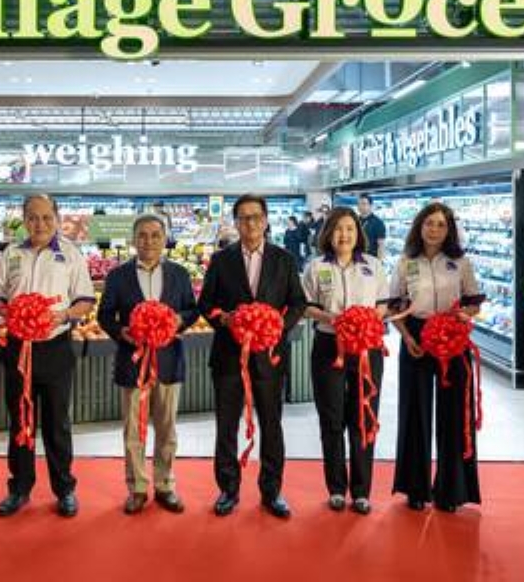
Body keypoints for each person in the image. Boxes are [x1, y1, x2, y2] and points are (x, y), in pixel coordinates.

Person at [198, 194, 306, 519]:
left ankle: (272, 491)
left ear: (266, 220)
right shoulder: (221, 260)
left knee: (272, 425)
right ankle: (228, 489)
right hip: (229, 358)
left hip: (270, 358)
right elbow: (205, 304)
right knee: (226, 426)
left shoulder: (284, 259)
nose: (250, 223)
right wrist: (224, 319)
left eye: (256, 216)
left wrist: (278, 327)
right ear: (236, 223)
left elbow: (298, 302)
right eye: (243, 218)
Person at [0, 194, 96, 519]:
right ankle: (19, 488)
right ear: (24, 220)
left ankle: (64, 489)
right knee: (20, 420)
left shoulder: (71, 254)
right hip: (17, 349)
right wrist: (10, 312)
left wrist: (63, 315)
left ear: (57, 219)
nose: (40, 224)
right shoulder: (12, 253)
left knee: (57, 423)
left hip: (55, 348)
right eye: (33, 217)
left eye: (47, 217)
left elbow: (85, 300)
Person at [97, 214, 200, 515]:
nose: (149, 241)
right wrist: (122, 332)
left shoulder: (179, 274)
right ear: (134, 240)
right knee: (133, 430)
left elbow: (192, 310)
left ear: (165, 239)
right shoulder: (118, 276)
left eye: (155, 235)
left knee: (167, 429)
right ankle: (138, 488)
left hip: (169, 361)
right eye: (142, 235)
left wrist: (179, 320)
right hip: (133, 363)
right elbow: (105, 315)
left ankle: (165, 484)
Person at [389, 202, 482, 513]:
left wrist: (462, 317)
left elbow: (473, 302)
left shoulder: (461, 262)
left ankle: (451, 490)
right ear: (419, 226)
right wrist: (407, 337)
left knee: (454, 413)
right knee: (415, 410)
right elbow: (394, 306)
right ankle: (415, 488)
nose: (434, 230)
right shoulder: (405, 262)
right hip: (416, 335)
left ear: (449, 229)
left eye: (441, 224)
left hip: (452, 337)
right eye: (429, 223)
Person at [301, 207, 390, 515]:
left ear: (358, 233)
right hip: (329, 347)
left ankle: (362, 491)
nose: (344, 235)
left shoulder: (373, 266)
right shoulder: (315, 267)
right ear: (328, 233)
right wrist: (332, 318)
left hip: (367, 349)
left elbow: (383, 305)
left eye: (350, 228)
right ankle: (337, 488)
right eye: (338, 229)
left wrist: (366, 321)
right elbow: (306, 307)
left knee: (363, 417)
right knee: (332, 419)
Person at [358, 194, 387, 259]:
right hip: (357, 257)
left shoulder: (378, 223)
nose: (360, 206)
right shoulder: (355, 220)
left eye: (364, 204)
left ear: (370, 205)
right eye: (359, 204)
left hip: (371, 258)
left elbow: (381, 245)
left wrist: (380, 261)